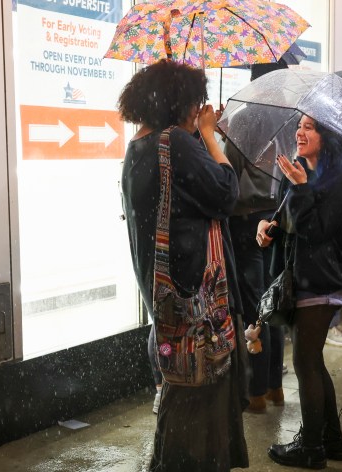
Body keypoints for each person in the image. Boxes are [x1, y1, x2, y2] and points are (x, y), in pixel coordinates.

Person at [118, 60, 248, 471]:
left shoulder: (138, 146)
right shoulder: (175, 141)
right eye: (197, 101)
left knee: (178, 384)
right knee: (198, 391)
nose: (201, 108)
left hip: (164, 293)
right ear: (181, 102)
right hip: (195, 294)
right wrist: (210, 135)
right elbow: (227, 193)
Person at [257, 115, 342, 469]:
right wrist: (267, 227)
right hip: (300, 278)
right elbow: (290, 221)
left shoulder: (340, 178)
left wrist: (300, 188)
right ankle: (332, 441)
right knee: (313, 362)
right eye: (300, 126)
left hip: (321, 279)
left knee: (304, 362)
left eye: (310, 127)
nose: (300, 132)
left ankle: (312, 447)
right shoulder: (301, 170)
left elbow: (318, 232)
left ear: (326, 136)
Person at [225, 61, 288, 413]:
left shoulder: (244, 118)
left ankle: (255, 392)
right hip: (277, 218)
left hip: (248, 222)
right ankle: (276, 387)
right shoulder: (289, 117)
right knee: (274, 302)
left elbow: (229, 171)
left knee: (254, 308)